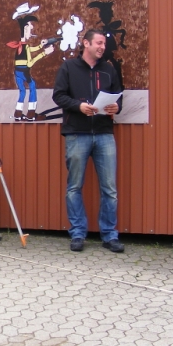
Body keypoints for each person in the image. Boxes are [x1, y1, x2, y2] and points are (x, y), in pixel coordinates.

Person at [52, 28, 123, 253]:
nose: (103, 47)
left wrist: (116, 107)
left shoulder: (108, 69)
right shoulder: (69, 67)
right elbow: (58, 95)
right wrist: (79, 106)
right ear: (86, 43)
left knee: (109, 188)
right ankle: (78, 233)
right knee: (74, 187)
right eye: (99, 43)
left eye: (104, 44)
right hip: (77, 134)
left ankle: (110, 236)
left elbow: (119, 95)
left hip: (104, 133)